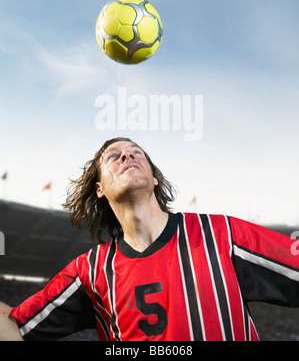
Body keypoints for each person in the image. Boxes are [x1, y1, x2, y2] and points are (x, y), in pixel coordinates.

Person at [0, 137, 299, 341]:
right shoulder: (89, 272)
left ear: (154, 178)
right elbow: (18, 328)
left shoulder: (221, 234)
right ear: (100, 188)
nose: (127, 155)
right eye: (113, 157)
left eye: (135, 152)